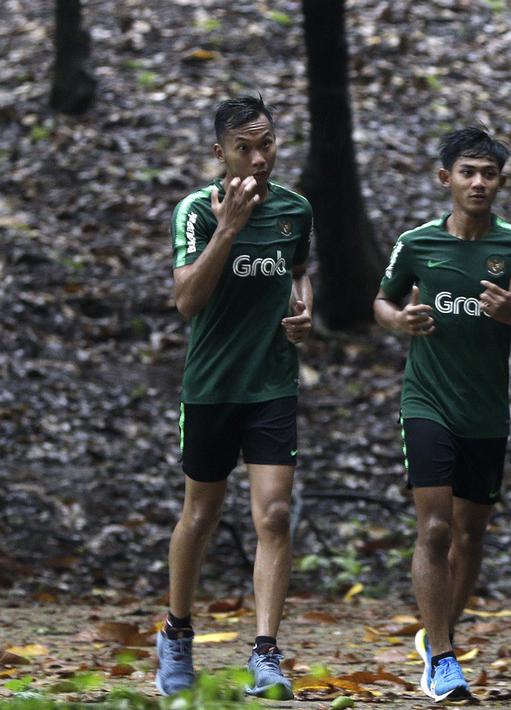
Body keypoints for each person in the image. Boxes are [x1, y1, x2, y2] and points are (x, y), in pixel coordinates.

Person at [373, 126, 511, 704]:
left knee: (471, 536)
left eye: (488, 173)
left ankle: (438, 641)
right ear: (445, 179)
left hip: (487, 412)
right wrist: (397, 322)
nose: (478, 182)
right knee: (434, 528)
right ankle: (447, 660)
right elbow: (381, 301)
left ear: (501, 181)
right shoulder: (417, 243)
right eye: (468, 172)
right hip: (426, 402)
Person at [158, 95, 313, 699]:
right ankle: (176, 633)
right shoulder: (197, 211)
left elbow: (300, 270)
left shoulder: (296, 210)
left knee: (274, 514)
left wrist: (305, 310)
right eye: (244, 147)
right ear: (219, 152)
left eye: (267, 143)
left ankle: (267, 654)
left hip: (271, 382)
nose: (258, 157)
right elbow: (187, 299)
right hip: (211, 386)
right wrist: (228, 228)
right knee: (200, 514)